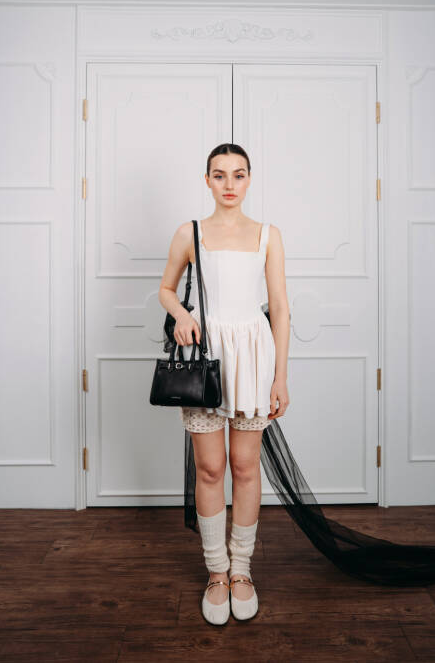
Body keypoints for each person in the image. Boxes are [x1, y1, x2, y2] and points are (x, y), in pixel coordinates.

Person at [158, 143, 290, 625]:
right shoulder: (189, 232)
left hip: (253, 357)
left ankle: (242, 570)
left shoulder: (267, 235)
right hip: (207, 359)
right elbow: (166, 289)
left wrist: (280, 377)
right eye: (219, 175)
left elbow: (280, 309)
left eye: (238, 174)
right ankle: (216, 572)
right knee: (211, 468)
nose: (229, 184)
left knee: (245, 467)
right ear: (207, 180)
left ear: (249, 179)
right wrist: (180, 314)